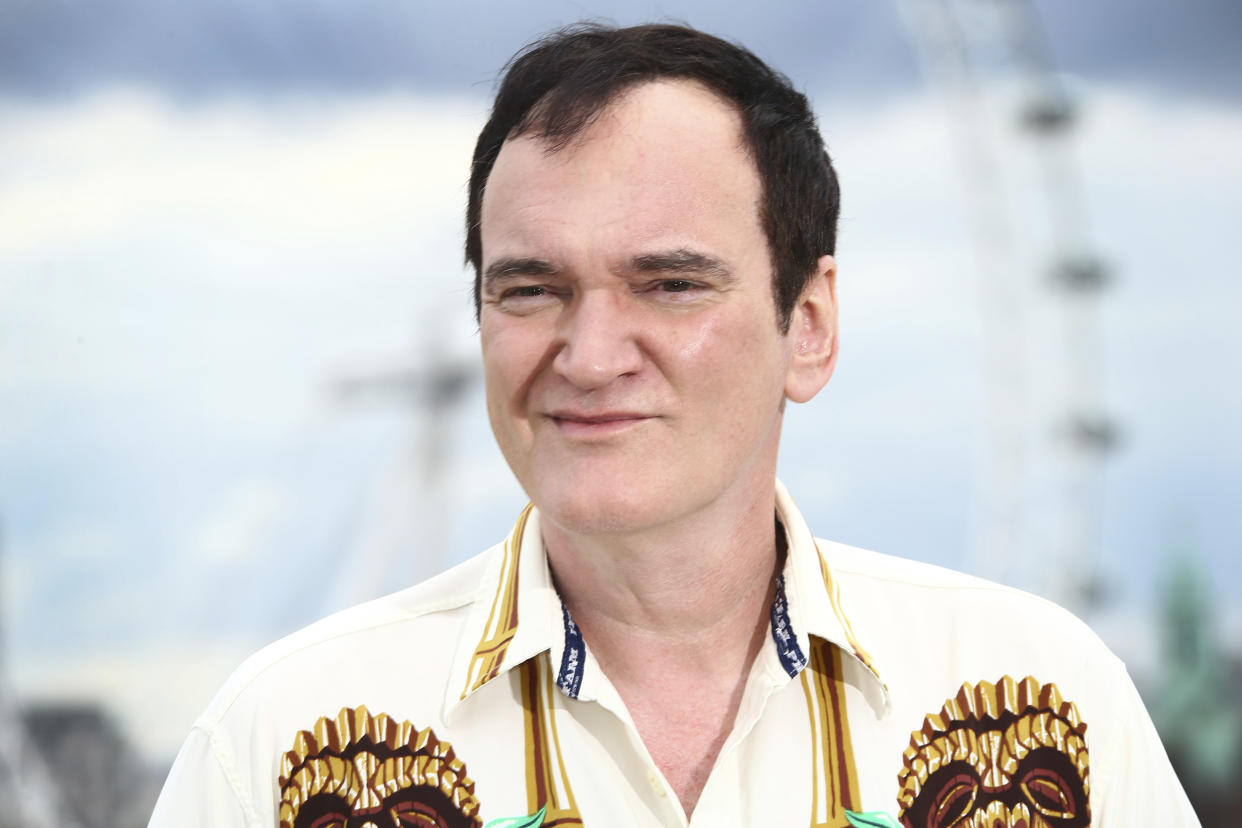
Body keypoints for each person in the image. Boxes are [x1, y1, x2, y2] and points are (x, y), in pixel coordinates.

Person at [150, 23, 1199, 828]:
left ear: (811, 327)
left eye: (669, 284)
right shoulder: (278, 745)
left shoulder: (1045, 698)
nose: (591, 353)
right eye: (530, 290)